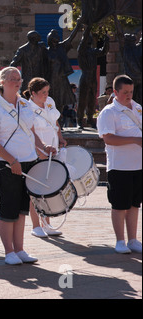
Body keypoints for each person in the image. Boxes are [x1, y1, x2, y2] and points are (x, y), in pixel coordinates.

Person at [0, 67, 56, 265]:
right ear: (1, 83)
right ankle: (9, 252)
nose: (17, 82)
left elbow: (30, 133)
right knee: (8, 208)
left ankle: (20, 249)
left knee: (23, 208)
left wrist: (43, 146)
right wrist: (12, 160)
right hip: (6, 165)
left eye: (19, 79)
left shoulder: (24, 104)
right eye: (12, 79)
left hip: (28, 162)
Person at [97, 75, 142, 254]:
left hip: (138, 165)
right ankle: (120, 241)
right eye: (125, 92)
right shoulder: (109, 112)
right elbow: (108, 139)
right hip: (119, 166)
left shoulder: (138, 108)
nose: (129, 95)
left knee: (134, 204)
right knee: (119, 205)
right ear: (115, 92)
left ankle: (133, 239)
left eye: (131, 92)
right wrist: (136, 140)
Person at [23, 77, 67, 238]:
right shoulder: (26, 107)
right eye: (42, 93)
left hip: (53, 150)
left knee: (49, 188)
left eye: (47, 92)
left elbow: (54, 123)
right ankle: (36, 226)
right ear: (33, 93)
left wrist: (60, 137)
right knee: (36, 190)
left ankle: (47, 224)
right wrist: (40, 150)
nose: (46, 95)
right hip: (37, 152)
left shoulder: (50, 102)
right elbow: (29, 132)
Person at [77, 25, 109, 129]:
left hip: (93, 78)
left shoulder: (93, 51)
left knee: (92, 100)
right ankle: (79, 120)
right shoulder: (81, 51)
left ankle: (90, 119)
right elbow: (82, 43)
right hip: (85, 76)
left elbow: (104, 51)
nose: (89, 41)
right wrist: (88, 27)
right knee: (82, 100)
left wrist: (107, 39)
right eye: (87, 39)